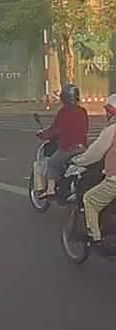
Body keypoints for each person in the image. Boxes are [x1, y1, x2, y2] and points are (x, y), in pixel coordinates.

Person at [70, 94, 116, 242]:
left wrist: (79, 161)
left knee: (89, 200)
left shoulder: (111, 130)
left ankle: (95, 239)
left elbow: (95, 153)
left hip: (114, 180)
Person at [37, 84, 89, 196]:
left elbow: (54, 129)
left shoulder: (63, 112)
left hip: (68, 148)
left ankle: (50, 189)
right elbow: (86, 128)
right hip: (83, 147)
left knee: (52, 163)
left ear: (64, 98)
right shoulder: (82, 111)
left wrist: (42, 134)